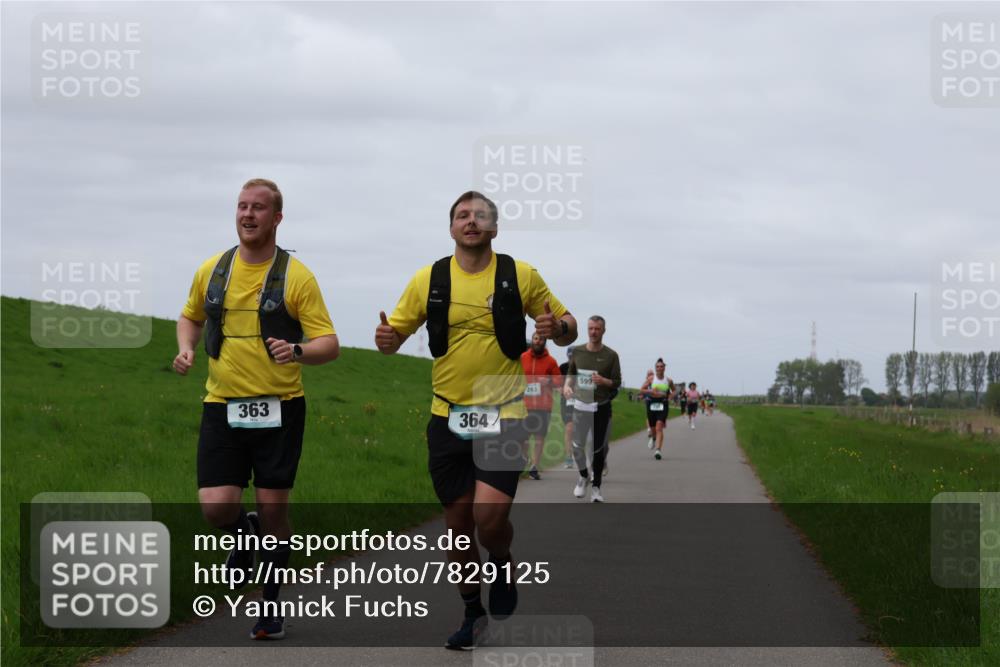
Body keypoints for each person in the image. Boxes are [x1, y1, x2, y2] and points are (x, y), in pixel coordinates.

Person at [375, 191, 577, 650]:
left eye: (480, 216)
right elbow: (394, 337)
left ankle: (501, 558)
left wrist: (556, 329)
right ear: (451, 228)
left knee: (490, 518)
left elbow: (568, 324)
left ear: (495, 228)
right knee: (459, 524)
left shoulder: (519, 275)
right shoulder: (429, 278)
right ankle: (472, 612)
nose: (471, 221)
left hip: (502, 412)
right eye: (462, 216)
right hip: (447, 415)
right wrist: (386, 338)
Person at [173, 178, 340, 641]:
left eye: (259, 208)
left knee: (273, 512)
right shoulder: (214, 269)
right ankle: (243, 537)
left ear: (277, 218)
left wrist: (299, 352)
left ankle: (269, 605)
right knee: (214, 506)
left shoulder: (297, 277)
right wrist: (187, 348)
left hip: (280, 410)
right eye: (242, 207)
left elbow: (330, 343)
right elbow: (190, 315)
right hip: (221, 405)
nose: (248, 215)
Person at [563, 316, 621, 503]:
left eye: (597, 329)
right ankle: (583, 476)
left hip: (601, 407)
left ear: (603, 331)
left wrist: (604, 381)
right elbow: (571, 374)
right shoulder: (578, 352)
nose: (593, 332)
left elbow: (617, 383)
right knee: (577, 446)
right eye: (590, 328)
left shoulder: (611, 355)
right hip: (580, 405)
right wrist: (567, 387)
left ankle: (596, 487)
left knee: (597, 450)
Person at [521, 332, 562, 480]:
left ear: (545, 342)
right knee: (523, 437)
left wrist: (549, 382)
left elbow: (559, 381)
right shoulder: (523, 358)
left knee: (539, 437)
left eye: (541, 339)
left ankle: (534, 467)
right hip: (524, 405)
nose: (538, 341)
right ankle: (525, 459)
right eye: (536, 338)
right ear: (532, 340)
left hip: (543, 406)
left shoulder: (551, 361)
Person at [639, 359, 672, 460]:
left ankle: (658, 450)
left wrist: (669, 397)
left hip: (663, 404)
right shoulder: (651, 379)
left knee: (659, 427)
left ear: (664, 368)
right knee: (653, 428)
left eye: (661, 366)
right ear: (655, 368)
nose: (659, 368)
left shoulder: (669, 380)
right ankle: (653, 438)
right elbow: (642, 389)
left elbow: (673, 391)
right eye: (657, 366)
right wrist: (650, 391)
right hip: (652, 403)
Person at [558, 348, 577, 468]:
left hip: (580, 400)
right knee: (569, 428)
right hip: (567, 400)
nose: (571, 360)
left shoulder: (582, 368)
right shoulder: (563, 367)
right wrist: (561, 389)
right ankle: (569, 457)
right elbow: (558, 383)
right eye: (570, 357)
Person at [641, 369, 655, 449]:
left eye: (651, 374)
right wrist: (642, 396)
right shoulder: (646, 382)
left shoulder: (656, 381)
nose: (650, 375)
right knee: (649, 416)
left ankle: (653, 429)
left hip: (656, 401)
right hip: (649, 401)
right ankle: (649, 429)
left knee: (655, 417)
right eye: (649, 374)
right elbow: (642, 390)